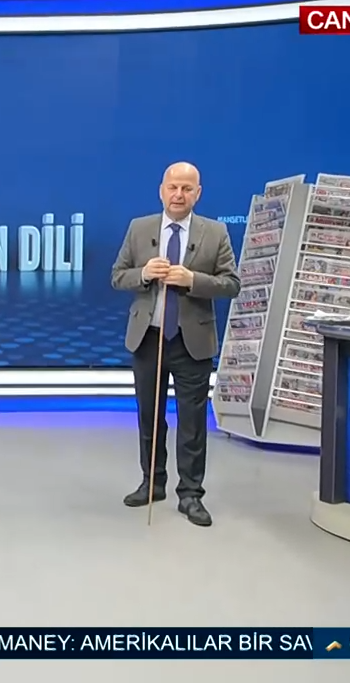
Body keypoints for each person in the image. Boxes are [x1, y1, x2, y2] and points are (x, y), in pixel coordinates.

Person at [109, 162, 241, 527]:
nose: (178, 195)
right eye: (173, 187)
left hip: (191, 341)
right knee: (149, 416)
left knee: (192, 422)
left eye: (186, 188)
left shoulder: (215, 232)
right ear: (161, 190)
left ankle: (191, 494)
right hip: (148, 339)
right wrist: (143, 274)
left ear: (198, 193)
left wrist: (193, 279)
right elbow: (117, 276)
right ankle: (152, 483)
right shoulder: (139, 229)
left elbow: (231, 283)